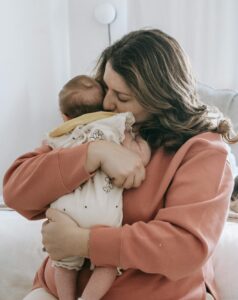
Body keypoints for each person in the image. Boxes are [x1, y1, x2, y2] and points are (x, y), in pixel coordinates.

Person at [3, 29, 238, 300]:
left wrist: (82, 243)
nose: (107, 102)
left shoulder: (203, 151)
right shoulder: (96, 123)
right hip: (60, 290)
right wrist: (92, 154)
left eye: (122, 97)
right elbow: (15, 191)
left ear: (160, 99)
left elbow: (184, 247)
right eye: (107, 88)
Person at [44, 75, 151, 300]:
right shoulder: (117, 124)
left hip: (67, 207)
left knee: (63, 261)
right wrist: (141, 145)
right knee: (108, 262)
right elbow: (139, 158)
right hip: (101, 208)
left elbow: (46, 163)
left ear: (64, 115)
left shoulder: (59, 134)